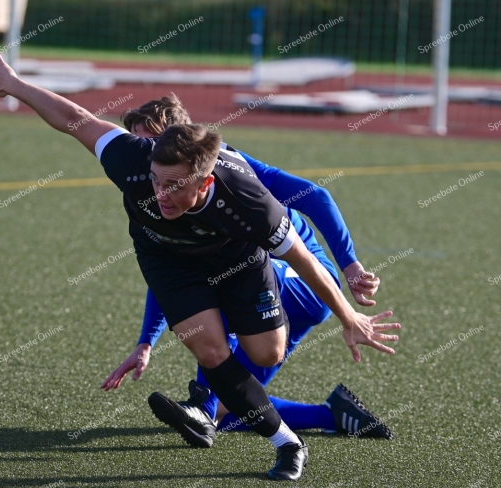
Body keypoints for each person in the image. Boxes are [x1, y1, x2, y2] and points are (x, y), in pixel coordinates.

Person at [0, 48, 400, 481]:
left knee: (263, 354)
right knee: (209, 348)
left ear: (204, 178)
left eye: (174, 185)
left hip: (255, 266)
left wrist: (350, 312)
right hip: (173, 261)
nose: (160, 194)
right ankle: (279, 439)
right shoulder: (131, 159)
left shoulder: (249, 201)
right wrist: (15, 86)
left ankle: (216, 406)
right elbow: (74, 117)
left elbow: (305, 252)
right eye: (155, 176)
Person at [101, 96, 394, 447]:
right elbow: (168, 274)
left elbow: (315, 195)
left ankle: (202, 405)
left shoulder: (227, 170)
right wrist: (146, 342)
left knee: (218, 289)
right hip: (265, 280)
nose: (144, 154)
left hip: (305, 280)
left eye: (149, 143)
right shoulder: (159, 193)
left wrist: (351, 267)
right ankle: (331, 414)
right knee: (236, 409)